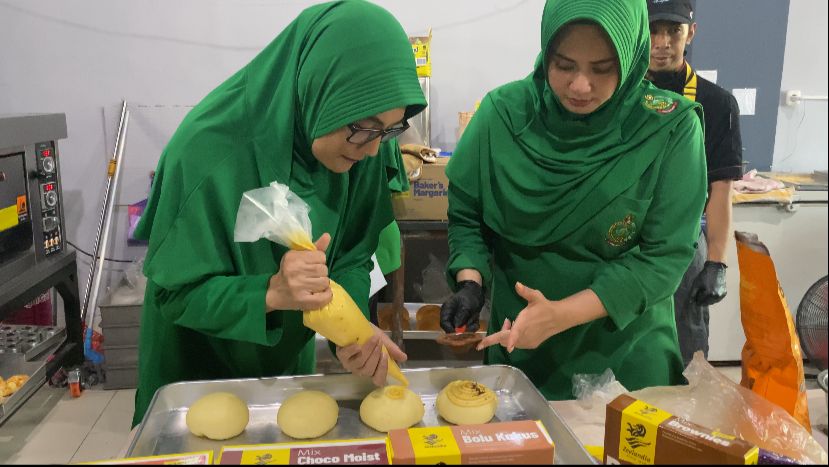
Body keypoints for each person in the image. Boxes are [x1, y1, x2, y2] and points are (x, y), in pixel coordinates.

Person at [131, 0, 426, 426]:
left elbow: (353, 255)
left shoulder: (367, 145)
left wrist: (352, 333)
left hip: (285, 372)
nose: (375, 148)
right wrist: (270, 293)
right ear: (318, 89)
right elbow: (174, 294)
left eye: (390, 130)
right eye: (364, 127)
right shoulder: (207, 153)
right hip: (196, 371)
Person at [439, 0, 707, 399]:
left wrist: (561, 315)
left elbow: (663, 258)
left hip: (625, 358)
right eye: (564, 65)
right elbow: (467, 215)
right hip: (525, 348)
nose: (580, 86)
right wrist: (471, 281)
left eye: (603, 68)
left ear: (632, 56)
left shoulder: (669, 129)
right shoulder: (504, 116)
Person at [647, 0, 743, 366]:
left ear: (691, 32)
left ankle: (684, 421)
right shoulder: (620, 97)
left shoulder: (717, 105)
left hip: (685, 246)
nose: (663, 42)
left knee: (686, 351)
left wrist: (716, 262)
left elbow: (721, 191)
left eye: (673, 30)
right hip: (622, 241)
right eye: (654, 30)